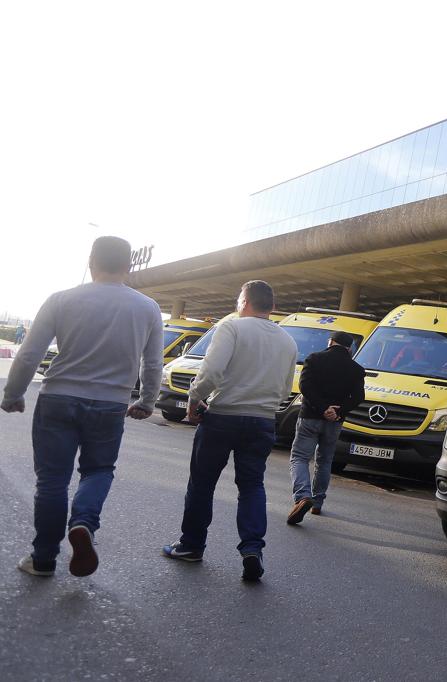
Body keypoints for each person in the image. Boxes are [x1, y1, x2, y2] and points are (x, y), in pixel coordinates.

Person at [2, 236, 163, 578]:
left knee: (51, 482)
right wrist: (147, 401)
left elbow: (30, 353)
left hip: (58, 397)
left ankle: (43, 559)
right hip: (111, 404)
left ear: (92, 261)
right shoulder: (147, 307)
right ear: (129, 265)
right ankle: (84, 523)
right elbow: (152, 364)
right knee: (99, 471)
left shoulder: (61, 299)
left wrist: (13, 394)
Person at [161, 281, 297, 582]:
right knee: (251, 486)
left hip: (223, 417)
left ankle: (191, 546)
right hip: (262, 421)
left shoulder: (232, 328)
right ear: (271, 306)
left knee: (202, 484)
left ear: (244, 302)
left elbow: (211, 371)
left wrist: (194, 400)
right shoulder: (288, 341)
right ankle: (252, 549)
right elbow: (286, 388)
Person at [286, 330, 365, 524]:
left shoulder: (314, 359)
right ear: (349, 348)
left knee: (299, 458)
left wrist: (322, 408)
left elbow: (305, 387)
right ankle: (317, 503)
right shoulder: (356, 369)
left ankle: (303, 496)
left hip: (310, 417)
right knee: (325, 460)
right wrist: (337, 411)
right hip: (334, 422)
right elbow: (358, 397)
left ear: (331, 342)